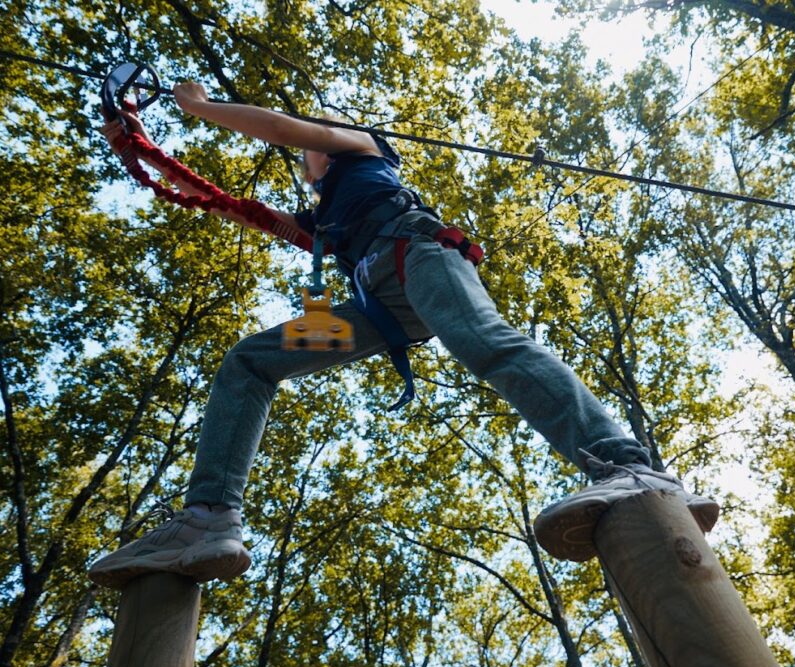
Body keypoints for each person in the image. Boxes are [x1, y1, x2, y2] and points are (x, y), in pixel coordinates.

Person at [88, 83, 718, 588]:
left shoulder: (363, 149)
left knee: (484, 342)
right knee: (250, 363)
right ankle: (209, 518)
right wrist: (139, 148)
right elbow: (247, 211)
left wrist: (198, 107)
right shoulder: (329, 214)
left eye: (310, 146)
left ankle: (630, 466)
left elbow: (282, 127)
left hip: (418, 258)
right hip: (379, 309)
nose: (302, 155)